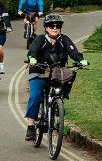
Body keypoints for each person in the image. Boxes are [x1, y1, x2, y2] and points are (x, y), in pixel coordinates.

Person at [25, 13, 88, 142]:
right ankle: (30, 127)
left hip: (57, 73)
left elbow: (73, 51)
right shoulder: (40, 39)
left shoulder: (64, 40)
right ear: (46, 28)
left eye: (57, 26)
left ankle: (57, 105)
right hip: (39, 72)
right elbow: (33, 50)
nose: (55, 28)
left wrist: (81, 60)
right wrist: (32, 59)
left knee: (67, 81)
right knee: (35, 96)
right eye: (51, 26)